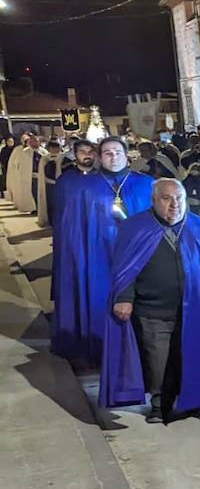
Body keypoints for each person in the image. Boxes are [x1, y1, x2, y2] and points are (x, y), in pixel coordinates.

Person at [99, 179, 200, 423]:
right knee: (159, 358)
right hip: (153, 308)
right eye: (166, 198)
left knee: (195, 353)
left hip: (195, 307)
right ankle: (159, 405)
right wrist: (123, 298)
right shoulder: (135, 228)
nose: (174, 204)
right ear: (154, 200)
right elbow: (125, 269)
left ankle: (198, 402)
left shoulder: (197, 226)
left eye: (179, 198)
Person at [50, 137, 155, 365]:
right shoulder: (83, 188)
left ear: (128, 155)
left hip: (137, 256)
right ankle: (101, 348)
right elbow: (73, 231)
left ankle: (141, 352)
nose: (113, 156)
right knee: (100, 300)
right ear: (99, 157)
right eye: (107, 152)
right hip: (97, 256)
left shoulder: (145, 184)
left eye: (117, 152)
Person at [48, 139, 96, 233]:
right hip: (74, 229)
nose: (87, 155)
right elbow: (60, 210)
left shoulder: (102, 177)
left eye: (90, 152)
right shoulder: (65, 180)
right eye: (82, 152)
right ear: (75, 155)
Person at [6, 132, 40, 215]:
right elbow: (15, 164)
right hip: (27, 177)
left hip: (40, 177)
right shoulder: (22, 152)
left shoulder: (42, 152)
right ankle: (33, 208)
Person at [36, 140, 64, 227]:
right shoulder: (44, 158)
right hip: (49, 184)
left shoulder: (63, 158)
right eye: (53, 147)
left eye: (56, 147)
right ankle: (52, 221)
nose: (55, 149)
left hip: (60, 185)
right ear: (49, 148)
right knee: (51, 204)